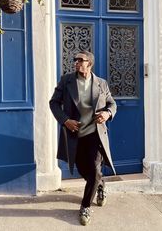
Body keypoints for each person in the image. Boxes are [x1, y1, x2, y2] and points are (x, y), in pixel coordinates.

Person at [49, 50, 117, 226]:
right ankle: (101, 185)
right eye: (75, 59)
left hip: (95, 134)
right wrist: (65, 121)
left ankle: (85, 206)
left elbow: (112, 103)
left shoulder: (101, 83)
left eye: (81, 60)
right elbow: (54, 102)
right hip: (75, 134)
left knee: (94, 170)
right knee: (82, 169)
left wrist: (107, 114)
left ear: (90, 63)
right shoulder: (67, 81)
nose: (76, 62)